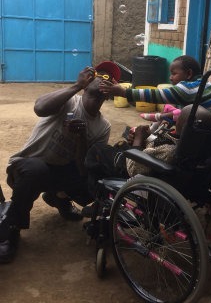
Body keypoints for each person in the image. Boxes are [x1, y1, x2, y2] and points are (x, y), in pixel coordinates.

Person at [0, 61, 121, 264]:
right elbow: (39, 108)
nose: (103, 78)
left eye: (109, 78)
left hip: (62, 171)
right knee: (37, 170)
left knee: (93, 183)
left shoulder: (103, 127)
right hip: (30, 165)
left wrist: (82, 137)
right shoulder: (69, 101)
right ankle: (12, 228)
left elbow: (84, 167)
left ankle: (58, 198)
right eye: (100, 74)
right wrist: (76, 85)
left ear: (110, 92)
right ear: (89, 78)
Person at [83, 104, 211, 206]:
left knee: (97, 150)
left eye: (179, 117)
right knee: (125, 135)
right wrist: (146, 137)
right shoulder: (191, 147)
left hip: (131, 166)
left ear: (183, 125)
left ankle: (97, 198)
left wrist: (138, 140)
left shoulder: (168, 151)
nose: (176, 118)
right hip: (147, 155)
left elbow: (133, 168)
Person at [99, 55, 211, 121]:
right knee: (182, 111)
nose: (170, 78)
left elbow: (156, 95)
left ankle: (160, 118)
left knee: (182, 114)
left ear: (189, 74)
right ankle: (160, 117)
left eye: (174, 74)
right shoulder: (204, 83)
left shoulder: (187, 89)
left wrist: (124, 92)